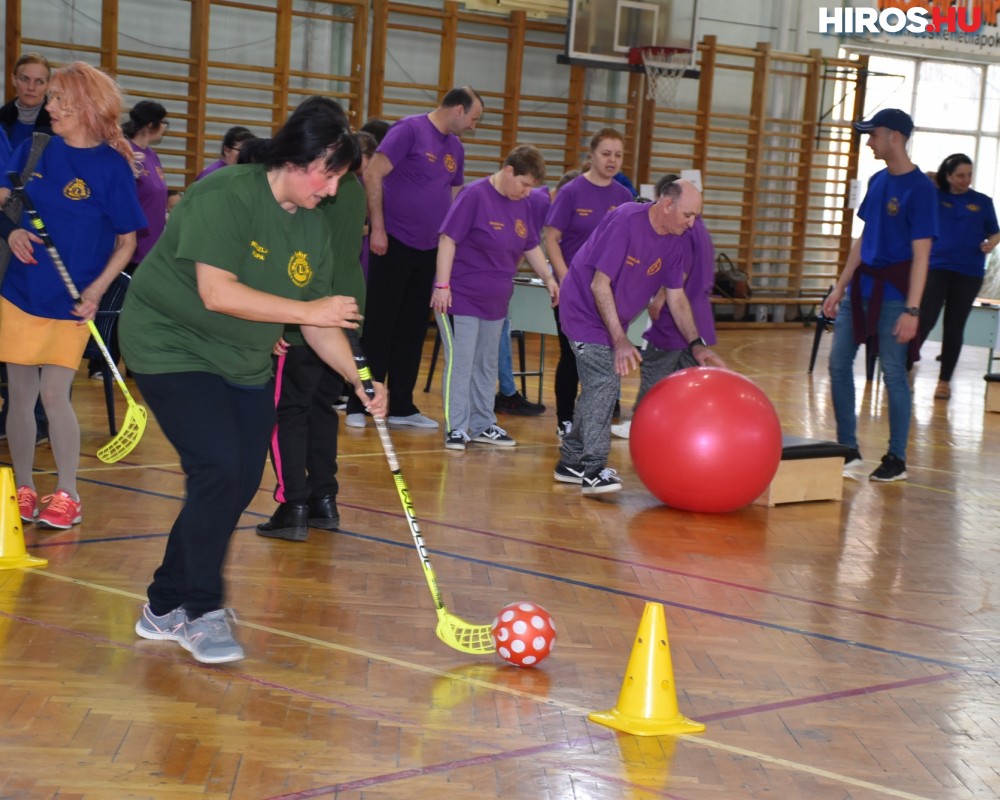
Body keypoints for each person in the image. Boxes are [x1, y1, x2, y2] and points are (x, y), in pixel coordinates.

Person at [120, 98, 387, 664]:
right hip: (170, 342)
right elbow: (218, 293)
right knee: (217, 466)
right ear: (301, 158)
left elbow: (318, 323)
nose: (333, 191)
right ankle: (200, 607)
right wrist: (311, 311)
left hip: (241, 357)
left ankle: (163, 603)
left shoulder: (310, 226)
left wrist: (357, 379)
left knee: (237, 480)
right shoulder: (225, 195)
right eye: (330, 175)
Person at [0, 61, 145, 528]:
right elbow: (10, 204)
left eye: (60, 98)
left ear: (85, 106)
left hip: (73, 301)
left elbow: (127, 242)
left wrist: (96, 292)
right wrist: (11, 234)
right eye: (51, 97)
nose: (50, 105)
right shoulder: (35, 147)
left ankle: (67, 493)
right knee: (20, 395)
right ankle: (22, 488)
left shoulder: (111, 168)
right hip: (20, 290)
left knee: (54, 393)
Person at [553, 179, 724, 495]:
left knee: (596, 388)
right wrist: (620, 340)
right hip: (582, 310)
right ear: (666, 204)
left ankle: (571, 461)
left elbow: (677, 299)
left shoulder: (674, 241)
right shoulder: (627, 220)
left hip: (611, 317)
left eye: (695, 216)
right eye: (688, 214)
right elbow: (598, 285)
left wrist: (696, 345)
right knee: (605, 382)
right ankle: (593, 469)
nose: (692, 223)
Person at [256, 121, 372, 542]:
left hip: (309, 310)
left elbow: (292, 259)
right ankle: (325, 499)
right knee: (322, 408)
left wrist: (283, 317)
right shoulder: (353, 187)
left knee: (289, 410)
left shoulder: (312, 190)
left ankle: (295, 504)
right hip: (348, 305)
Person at [345, 86, 484, 430]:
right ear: (457, 110)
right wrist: (377, 228)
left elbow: (453, 202)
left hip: (430, 251)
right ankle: (359, 403)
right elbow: (373, 174)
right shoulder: (408, 130)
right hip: (393, 243)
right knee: (379, 325)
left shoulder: (455, 148)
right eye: (474, 118)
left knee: (411, 329)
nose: (474, 126)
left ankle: (402, 406)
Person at [823, 108, 938, 482]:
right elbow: (863, 239)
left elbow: (922, 256)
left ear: (895, 137)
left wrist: (913, 309)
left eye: (874, 135)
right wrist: (839, 287)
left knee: (892, 372)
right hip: (862, 289)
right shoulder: (876, 181)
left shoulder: (921, 190)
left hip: (895, 295)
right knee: (839, 363)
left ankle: (896, 458)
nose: (869, 142)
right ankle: (848, 449)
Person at [431, 145, 557, 451]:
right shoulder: (474, 196)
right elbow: (448, 239)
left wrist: (550, 279)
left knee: (486, 364)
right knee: (461, 363)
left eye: (533, 187)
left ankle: (483, 424)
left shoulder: (522, 204)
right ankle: (457, 427)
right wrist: (443, 286)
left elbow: (530, 245)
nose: (528, 193)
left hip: (495, 301)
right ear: (509, 171)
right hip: (460, 297)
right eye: (525, 184)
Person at [543, 129, 634, 439]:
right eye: (606, 153)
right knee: (572, 356)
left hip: (605, 291)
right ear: (592, 155)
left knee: (605, 358)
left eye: (618, 155)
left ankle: (596, 419)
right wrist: (565, 280)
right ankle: (565, 419)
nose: (612, 160)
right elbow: (551, 238)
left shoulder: (624, 198)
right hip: (572, 292)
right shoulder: (571, 191)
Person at [612, 174, 718, 439]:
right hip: (699, 315)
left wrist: (658, 300)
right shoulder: (700, 227)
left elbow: (679, 273)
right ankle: (680, 427)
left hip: (676, 317)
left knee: (655, 370)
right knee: (687, 378)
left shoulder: (682, 229)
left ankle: (642, 421)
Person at [87, 100, 170, 380]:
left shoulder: (153, 156)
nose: (166, 127)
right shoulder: (125, 153)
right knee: (114, 308)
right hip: (129, 249)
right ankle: (102, 364)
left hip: (151, 251)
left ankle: (136, 365)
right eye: (163, 122)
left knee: (141, 312)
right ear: (151, 125)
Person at [914, 153, 1000, 400]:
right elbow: (918, 179)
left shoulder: (982, 202)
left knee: (954, 326)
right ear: (949, 176)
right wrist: (935, 178)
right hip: (936, 269)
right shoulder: (935, 196)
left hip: (968, 272)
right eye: (960, 175)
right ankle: (907, 367)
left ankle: (944, 381)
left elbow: (996, 232)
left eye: (969, 175)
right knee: (925, 319)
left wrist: (991, 244)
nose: (966, 180)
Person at [494, 182, 551, 416]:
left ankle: (506, 392)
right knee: (501, 330)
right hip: (492, 278)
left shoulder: (539, 199)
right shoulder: (540, 201)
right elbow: (524, 244)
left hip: (498, 275)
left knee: (502, 330)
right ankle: (507, 393)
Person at [0, 53, 53, 149]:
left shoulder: (58, 126)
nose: (31, 87)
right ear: (14, 80)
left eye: (39, 81)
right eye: (24, 79)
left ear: (48, 85)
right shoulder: (2, 119)